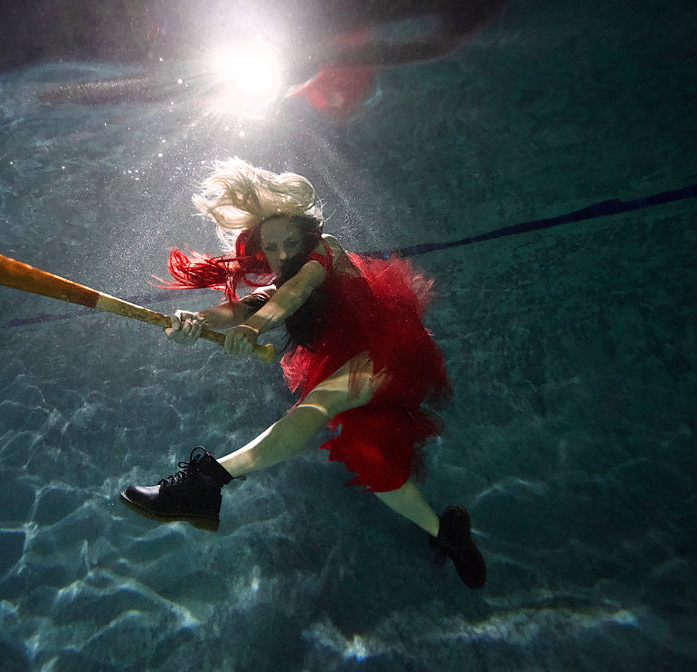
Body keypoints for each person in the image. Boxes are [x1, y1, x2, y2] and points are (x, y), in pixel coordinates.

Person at [119, 159, 485, 589]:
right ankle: (447, 534)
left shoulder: (325, 250)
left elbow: (295, 292)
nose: (282, 256)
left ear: (307, 237)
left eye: (290, 243)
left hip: (391, 350)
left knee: (318, 404)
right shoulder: (279, 277)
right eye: (271, 249)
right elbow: (245, 305)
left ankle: (208, 481)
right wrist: (195, 321)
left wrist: (254, 327)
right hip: (353, 367)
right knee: (371, 461)